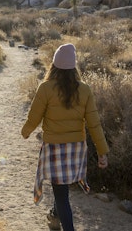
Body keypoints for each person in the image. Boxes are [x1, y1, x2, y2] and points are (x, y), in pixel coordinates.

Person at [21, 43, 109, 231]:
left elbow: (34, 116)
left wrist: (26, 131)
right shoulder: (85, 90)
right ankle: (54, 216)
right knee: (61, 188)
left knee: (61, 194)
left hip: (54, 148)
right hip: (76, 149)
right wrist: (102, 152)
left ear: (54, 66)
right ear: (73, 67)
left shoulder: (45, 88)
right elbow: (94, 124)